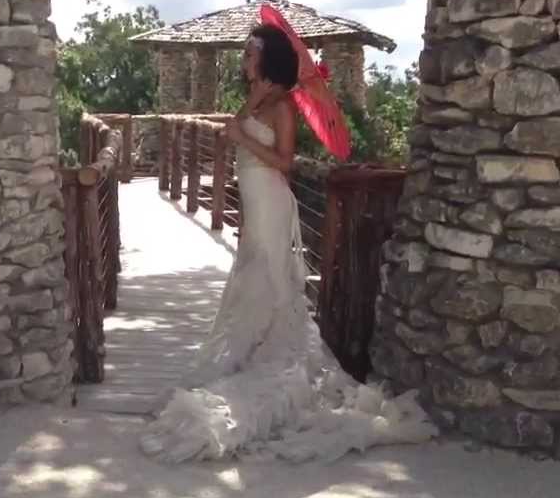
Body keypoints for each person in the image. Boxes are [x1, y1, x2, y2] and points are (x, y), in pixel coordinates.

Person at [139, 23, 434, 464]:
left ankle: (278, 358)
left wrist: (241, 136)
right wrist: (242, 121)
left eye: (249, 52)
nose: (243, 58)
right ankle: (254, 347)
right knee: (251, 277)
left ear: (266, 58)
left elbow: (284, 162)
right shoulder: (258, 98)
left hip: (271, 202)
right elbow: (238, 132)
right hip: (253, 203)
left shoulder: (283, 106)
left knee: (272, 280)